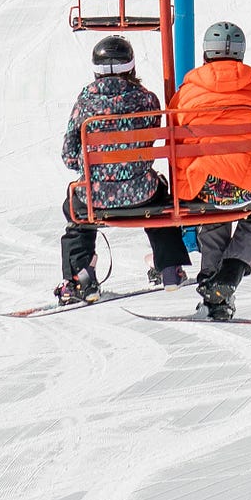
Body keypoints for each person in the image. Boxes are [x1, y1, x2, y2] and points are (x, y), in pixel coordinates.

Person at [170, 19, 251, 320]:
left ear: (206, 54)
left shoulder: (186, 94)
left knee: (213, 219)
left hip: (204, 186)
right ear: (240, 55)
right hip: (248, 188)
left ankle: (213, 294)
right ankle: (229, 273)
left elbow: (176, 145)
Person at [55, 35, 190, 304]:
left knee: (75, 208)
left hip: (98, 196)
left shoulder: (85, 102)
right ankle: (170, 267)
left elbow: (69, 155)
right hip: (142, 193)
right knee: (160, 198)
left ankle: (80, 276)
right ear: (131, 66)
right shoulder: (147, 99)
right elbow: (153, 138)